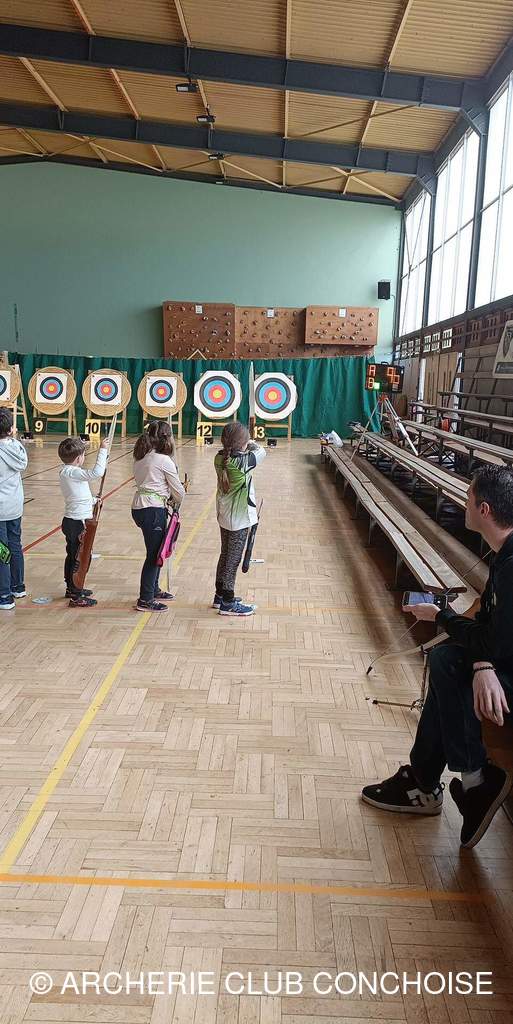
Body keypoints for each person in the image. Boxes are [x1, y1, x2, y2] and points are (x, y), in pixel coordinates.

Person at [362, 464, 513, 849]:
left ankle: (469, 781)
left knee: (448, 663)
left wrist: (443, 618)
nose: (463, 502)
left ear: (484, 510)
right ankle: (431, 782)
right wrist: (481, 660)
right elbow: (491, 625)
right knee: (450, 662)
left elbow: (496, 641)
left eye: (468, 497)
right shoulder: (504, 554)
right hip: (504, 653)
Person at [214, 421, 265, 616]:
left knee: (225, 554)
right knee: (233, 560)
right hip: (239, 519)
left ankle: (219, 596)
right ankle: (227, 603)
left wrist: (243, 443)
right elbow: (261, 451)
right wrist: (250, 443)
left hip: (224, 515)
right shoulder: (244, 462)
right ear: (242, 443)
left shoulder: (219, 458)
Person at [132, 421, 185, 612]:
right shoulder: (163, 460)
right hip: (152, 510)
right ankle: (145, 599)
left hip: (141, 507)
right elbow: (178, 491)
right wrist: (176, 498)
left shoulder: (141, 456)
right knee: (154, 555)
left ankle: (153, 589)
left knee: (157, 551)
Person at [58, 436, 109, 608]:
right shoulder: (72, 472)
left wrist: (94, 500)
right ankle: (76, 595)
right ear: (79, 458)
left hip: (71, 521)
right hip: (76, 523)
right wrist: (103, 450)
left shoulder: (67, 472)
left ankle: (71, 587)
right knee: (80, 558)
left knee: (73, 556)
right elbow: (97, 473)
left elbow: (78, 495)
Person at [0, 409, 28, 610]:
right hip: (15, 506)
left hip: (1, 510)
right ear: (11, 430)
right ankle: (18, 587)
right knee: (15, 544)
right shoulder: (18, 447)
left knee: (2, 551)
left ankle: (4, 596)